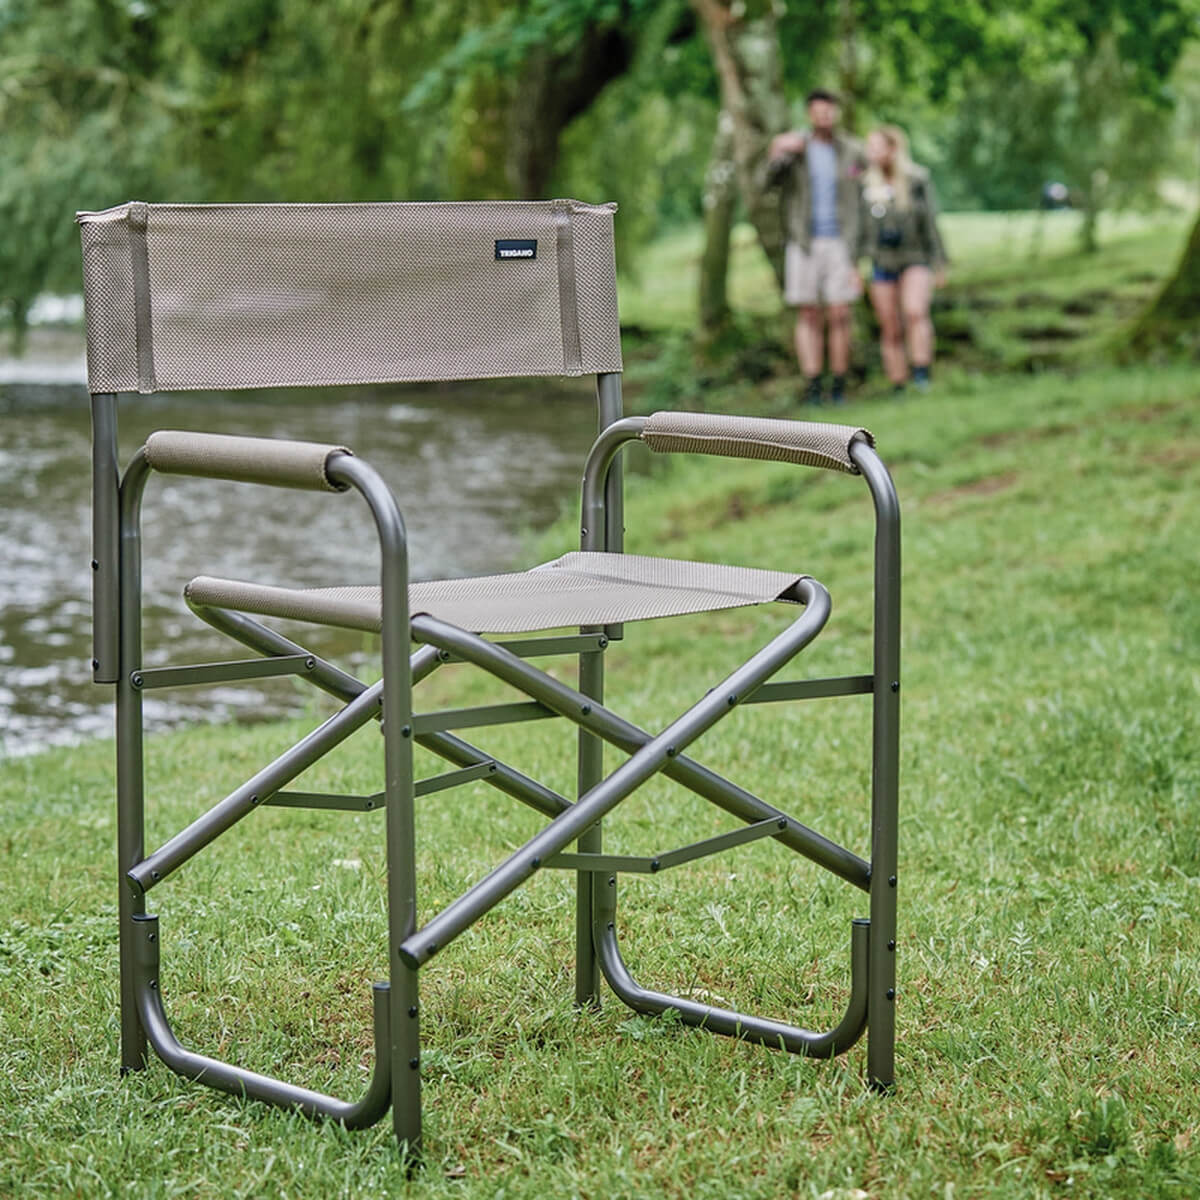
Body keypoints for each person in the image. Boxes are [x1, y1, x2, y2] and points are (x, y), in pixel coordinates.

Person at [767, 89, 866, 406]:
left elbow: (867, 193)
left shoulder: (852, 150)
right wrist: (776, 150)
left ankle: (838, 384)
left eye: (829, 111)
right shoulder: (796, 149)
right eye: (818, 111)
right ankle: (812, 385)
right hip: (804, 241)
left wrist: (858, 250)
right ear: (809, 114)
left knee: (840, 313)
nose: (824, 116)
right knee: (808, 313)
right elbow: (767, 184)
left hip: (840, 240)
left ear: (836, 112)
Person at [860, 124, 948, 392]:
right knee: (890, 324)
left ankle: (922, 372)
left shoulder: (917, 180)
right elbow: (856, 226)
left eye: (877, 147)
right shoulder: (864, 183)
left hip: (915, 256)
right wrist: (856, 261)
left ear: (893, 149)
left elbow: (931, 222)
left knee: (914, 312)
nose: (872, 153)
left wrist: (940, 261)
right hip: (882, 261)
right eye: (870, 147)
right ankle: (897, 381)